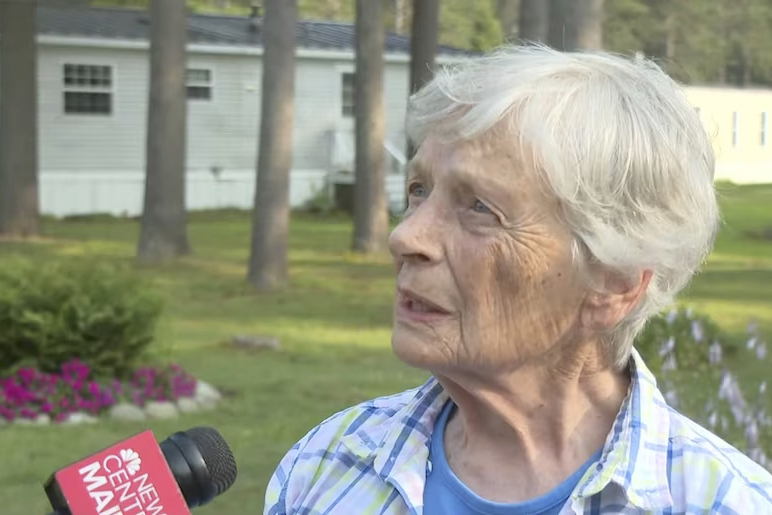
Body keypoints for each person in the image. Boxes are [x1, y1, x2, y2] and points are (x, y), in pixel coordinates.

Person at [263, 44, 772, 514]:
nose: (405, 236)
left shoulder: (722, 502)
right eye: (419, 189)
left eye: (480, 208)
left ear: (614, 282)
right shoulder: (327, 467)